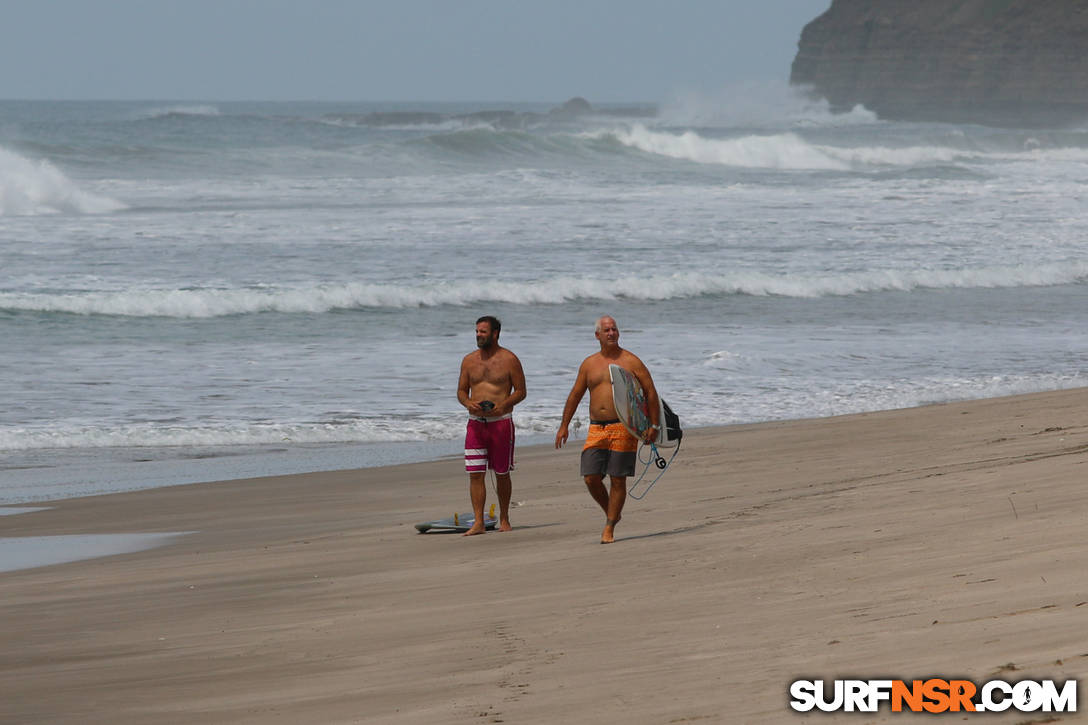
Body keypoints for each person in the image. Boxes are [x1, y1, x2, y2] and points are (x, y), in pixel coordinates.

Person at [555, 315, 659, 543]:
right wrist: (564, 425)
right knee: (591, 477)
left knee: (618, 479)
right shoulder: (589, 364)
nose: (611, 333)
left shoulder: (631, 361)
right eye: (607, 330)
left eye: (614, 329)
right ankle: (613, 512)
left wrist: (653, 425)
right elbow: (575, 395)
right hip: (596, 428)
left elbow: (650, 392)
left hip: (624, 426)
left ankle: (609, 526)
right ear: (597, 335)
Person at [457, 315, 526, 535]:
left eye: (483, 332)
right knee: (475, 473)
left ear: (495, 333)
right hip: (476, 424)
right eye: (477, 331)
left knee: (502, 473)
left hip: (501, 424)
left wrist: (503, 406)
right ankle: (479, 521)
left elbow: (521, 391)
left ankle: (504, 518)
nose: (478, 335)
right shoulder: (469, 361)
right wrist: (468, 403)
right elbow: (461, 391)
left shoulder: (509, 360)